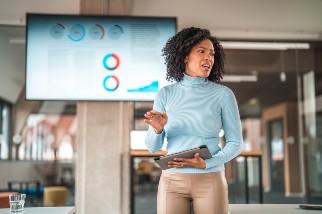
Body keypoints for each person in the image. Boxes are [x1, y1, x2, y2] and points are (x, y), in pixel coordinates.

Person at [144, 27, 243, 214]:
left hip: (211, 178)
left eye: (212, 54)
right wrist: (157, 130)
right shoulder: (165, 94)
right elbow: (152, 147)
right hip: (172, 181)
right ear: (184, 56)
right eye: (201, 51)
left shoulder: (223, 94)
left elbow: (235, 144)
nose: (209, 58)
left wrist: (207, 163)